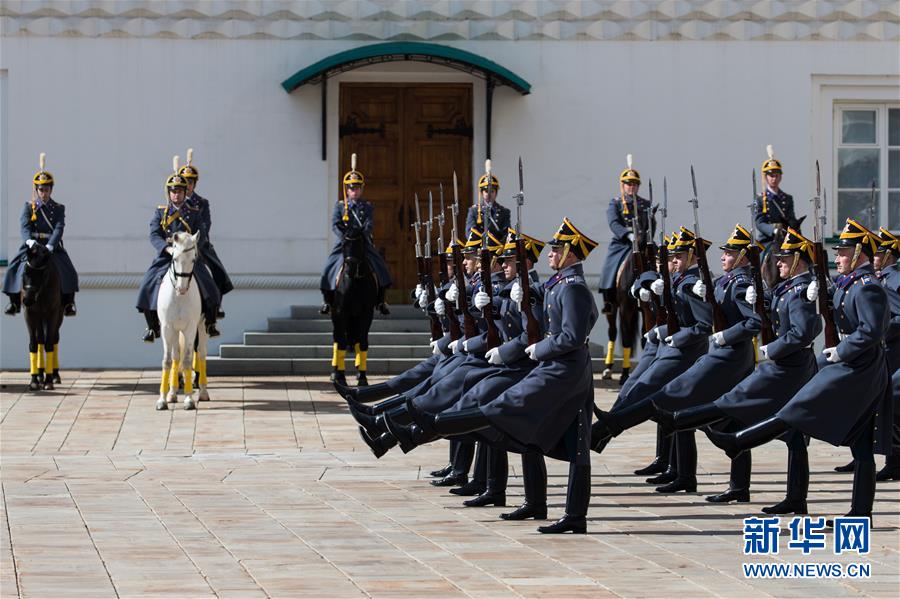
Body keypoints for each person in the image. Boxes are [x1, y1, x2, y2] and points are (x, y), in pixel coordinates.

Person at [378, 218, 600, 533]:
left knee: (518, 418)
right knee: (533, 434)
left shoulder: (573, 289)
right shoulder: (557, 285)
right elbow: (523, 303)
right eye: (551, 249)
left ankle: (419, 428)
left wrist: (541, 349)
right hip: (557, 368)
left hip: (566, 371)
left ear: (572, 254)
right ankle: (538, 504)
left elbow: (572, 337)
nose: (551, 254)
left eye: (558, 249)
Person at [708, 219, 890, 524]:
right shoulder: (849, 284)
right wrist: (820, 292)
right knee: (860, 443)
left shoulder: (868, 287)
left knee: (802, 404)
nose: (838, 257)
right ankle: (860, 513)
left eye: (844, 252)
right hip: (851, 363)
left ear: (859, 252)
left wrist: (842, 349)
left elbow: (871, 330)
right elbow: (833, 311)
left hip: (860, 367)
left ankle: (739, 440)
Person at [593, 224, 760, 495]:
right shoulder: (723, 281)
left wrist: (725, 336)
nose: (723, 257)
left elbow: (752, 322)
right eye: (725, 253)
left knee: (685, 403)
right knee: (695, 414)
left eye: (730, 254)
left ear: (742, 257)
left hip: (730, 357)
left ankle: (609, 427)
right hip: (719, 354)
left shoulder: (740, 284)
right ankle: (690, 476)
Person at [663, 228, 822, 513]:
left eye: (785, 259)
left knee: (791, 431)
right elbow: (768, 311)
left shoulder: (802, 288)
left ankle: (788, 496)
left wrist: (773, 348)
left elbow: (805, 329)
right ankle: (749, 486)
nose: (780, 263)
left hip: (790, 365)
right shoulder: (785, 287)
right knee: (782, 429)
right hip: (782, 363)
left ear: (799, 260)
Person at [136, 160, 221, 342]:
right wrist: (165, 248)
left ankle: (211, 323)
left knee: (210, 286)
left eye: (180, 191)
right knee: (146, 285)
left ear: (184, 193)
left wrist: (190, 249)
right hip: (167, 256)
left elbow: (202, 233)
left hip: (187, 256)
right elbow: (154, 234)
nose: (176, 194)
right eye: (173, 191)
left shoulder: (195, 211)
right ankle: (152, 327)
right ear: (169, 193)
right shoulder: (161, 213)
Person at [4, 153, 79, 317]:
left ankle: (68, 303)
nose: (43, 192)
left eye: (46, 189)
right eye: (40, 189)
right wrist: (30, 242)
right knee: (13, 268)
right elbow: (24, 227)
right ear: (36, 190)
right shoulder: (29, 206)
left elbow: (59, 228)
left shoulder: (59, 208)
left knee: (69, 270)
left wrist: (51, 245)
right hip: (33, 245)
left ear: (51, 189)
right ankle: (14, 302)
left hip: (50, 246)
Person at [320, 154, 392, 316]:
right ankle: (327, 300)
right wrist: (346, 237)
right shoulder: (340, 206)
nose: (354, 191)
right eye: (351, 188)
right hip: (345, 243)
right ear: (347, 190)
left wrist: (360, 236)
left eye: (357, 187)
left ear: (361, 189)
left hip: (362, 242)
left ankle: (381, 300)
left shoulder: (367, 206)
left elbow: (369, 224)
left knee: (380, 266)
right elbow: (335, 224)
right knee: (330, 266)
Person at [179, 148, 233, 322]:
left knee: (218, 272)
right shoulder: (171, 204)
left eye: (190, 182)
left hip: (198, 244)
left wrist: (195, 242)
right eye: (185, 182)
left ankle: (216, 307)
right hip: (179, 247)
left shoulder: (202, 203)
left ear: (195, 184)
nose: (187, 186)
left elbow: (206, 226)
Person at [598, 155, 651, 314]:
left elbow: (650, 225)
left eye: (634, 184)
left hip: (642, 242)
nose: (632, 187)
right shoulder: (615, 203)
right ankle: (609, 299)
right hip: (623, 242)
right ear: (623, 185)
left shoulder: (645, 204)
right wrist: (627, 235)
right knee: (610, 265)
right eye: (628, 184)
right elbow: (613, 222)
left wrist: (645, 239)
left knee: (659, 261)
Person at [754, 145, 802, 254]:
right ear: (766, 177)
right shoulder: (760, 199)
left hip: (785, 237)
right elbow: (759, 223)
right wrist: (774, 230)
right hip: (768, 239)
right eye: (771, 175)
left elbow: (791, 218)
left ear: (780, 177)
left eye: (776, 175)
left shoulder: (787, 198)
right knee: (760, 260)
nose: (774, 178)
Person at [465, 168, 510, 242]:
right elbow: (470, 232)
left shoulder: (504, 212)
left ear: (496, 193)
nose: (489, 194)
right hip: (480, 248)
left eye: (492, 191)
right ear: (482, 193)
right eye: (486, 191)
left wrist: (496, 242)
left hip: (498, 249)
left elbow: (507, 233)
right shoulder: (474, 211)